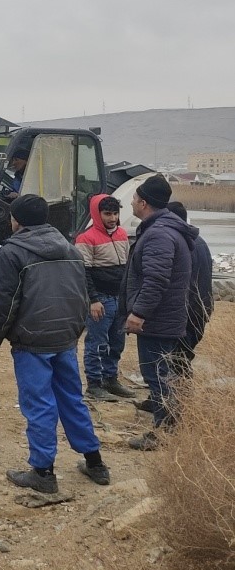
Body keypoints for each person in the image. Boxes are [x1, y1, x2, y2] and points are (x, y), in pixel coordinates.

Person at [0, 194, 110, 493]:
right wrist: (75, 330)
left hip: (32, 341)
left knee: (39, 405)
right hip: (65, 338)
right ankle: (95, 463)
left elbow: (3, 305)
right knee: (72, 400)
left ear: (16, 221)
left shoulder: (12, 253)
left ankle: (43, 473)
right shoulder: (70, 249)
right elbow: (81, 295)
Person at [124, 174, 196, 450]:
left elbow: (156, 279)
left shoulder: (159, 234)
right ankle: (170, 427)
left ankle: (163, 434)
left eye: (133, 198)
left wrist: (139, 313)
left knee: (157, 376)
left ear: (143, 203)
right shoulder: (164, 228)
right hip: (166, 317)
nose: (130, 202)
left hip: (157, 320)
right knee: (162, 374)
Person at [75, 195, 134, 401]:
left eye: (115, 213)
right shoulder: (86, 238)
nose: (112, 218)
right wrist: (93, 300)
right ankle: (94, 384)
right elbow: (84, 273)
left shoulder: (122, 234)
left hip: (119, 299)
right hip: (100, 299)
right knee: (97, 343)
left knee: (117, 343)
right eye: (107, 213)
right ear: (97, 214)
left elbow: (127, 270)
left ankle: (111, 379)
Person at [167, 200, 213, 376]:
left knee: (177, 358)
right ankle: (181, 396)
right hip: (202, 307)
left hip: (186, 309)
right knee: (183, 356)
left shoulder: (180, 243)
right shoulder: (199, 240)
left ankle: (174, 398)